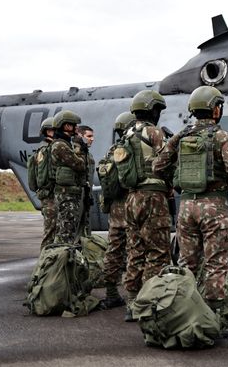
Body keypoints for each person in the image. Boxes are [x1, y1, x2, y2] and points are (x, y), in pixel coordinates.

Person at [154, 86, 228, 338]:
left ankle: (183, 315)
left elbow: (158, 164)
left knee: (187, 263)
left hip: (186, 208)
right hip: (214, 208)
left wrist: (174, 182)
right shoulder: (222, 137)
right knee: (216, 264)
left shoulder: (181, 137)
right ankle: (216, 320)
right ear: (215, 109)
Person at [122, 90, 172, 322]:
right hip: (152, 196)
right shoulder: (154, 132)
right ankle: (149, 302)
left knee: (135, 249)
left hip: (132, 198)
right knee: (158, 250)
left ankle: (132, 301)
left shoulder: (127, 133)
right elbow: (166, 161)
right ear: (152, 110)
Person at [98, 112, 136, 309]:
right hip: (131, 207)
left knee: (113, 252)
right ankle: (132, 300)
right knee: (133, 253)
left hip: (115, 210)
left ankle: (111, 293)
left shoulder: (111, 151)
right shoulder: (132, 149)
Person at [50, 110, 88, 245]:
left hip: (70, 194)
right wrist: (80, 147)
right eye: (73, 125)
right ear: (66, 126)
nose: (76, 129)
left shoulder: (64, 144)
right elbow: (79, 165)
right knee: (66, 232)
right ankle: (61, 261)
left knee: (69, 230)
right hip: (66, 196)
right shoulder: (60, 145)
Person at [27, 117, 56, 249]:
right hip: (51, 197)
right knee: (50, 234)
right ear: (49, 132)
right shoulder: (46, 151)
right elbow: (45, 178)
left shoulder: (43, 150)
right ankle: (45, 264)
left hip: (49, 197)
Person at [75, 124, 96, 238]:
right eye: (89, 136)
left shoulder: (88, 155)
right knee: (74, 228)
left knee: (85, 229)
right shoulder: (73, 152)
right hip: (76, 196)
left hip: (86, 195)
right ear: (80, 135)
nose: (92, 139)